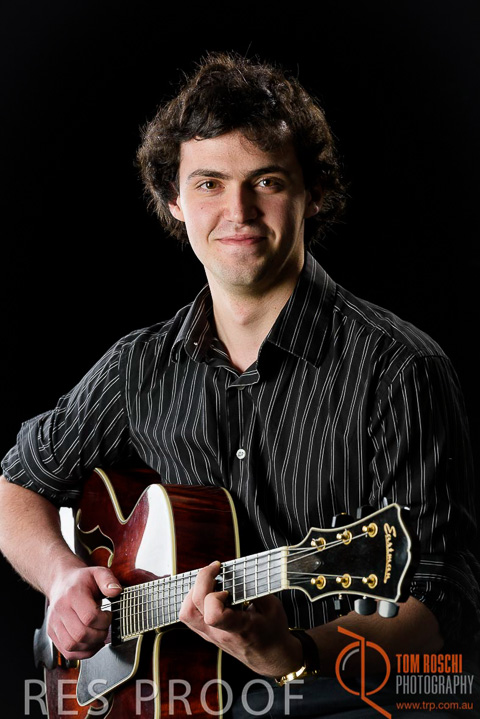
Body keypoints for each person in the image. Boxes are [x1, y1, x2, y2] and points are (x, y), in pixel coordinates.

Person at [1, 52, 479, 717]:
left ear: (313, 192)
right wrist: (62, 579)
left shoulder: (400, 370)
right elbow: (17, 485)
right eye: (209, 183)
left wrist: (297, 653)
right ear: (174, 201)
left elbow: (441, 609)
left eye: (267, 181)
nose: (239, 210)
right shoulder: (138, 367)